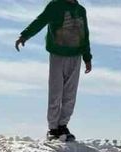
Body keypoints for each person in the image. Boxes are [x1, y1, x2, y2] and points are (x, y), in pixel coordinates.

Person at [16, 0, 92, 141]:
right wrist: (25, 35)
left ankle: (63, 125)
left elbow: (84, 34)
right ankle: (53, 128)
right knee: (56, 92)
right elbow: (40, 21)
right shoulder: (55, 6)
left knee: (70, 94)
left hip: (75, 56)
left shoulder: (81, 10)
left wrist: (87, 58)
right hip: (58, 54)